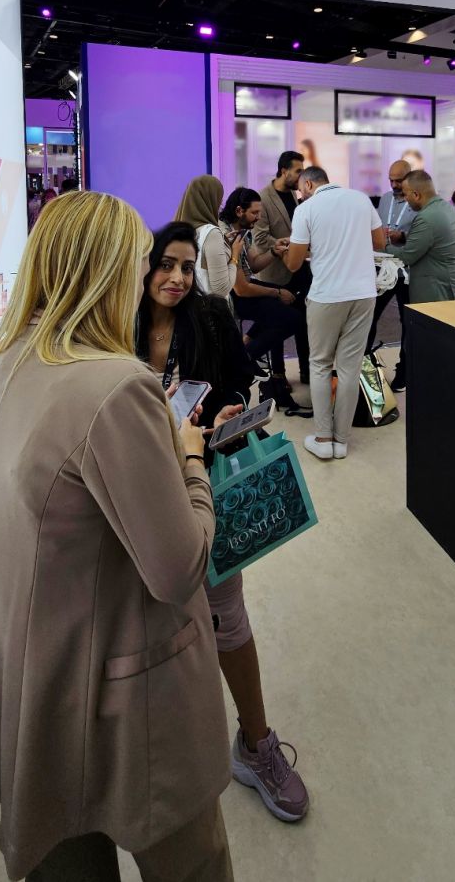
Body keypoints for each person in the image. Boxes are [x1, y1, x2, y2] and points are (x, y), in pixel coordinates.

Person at [0, 191, 234, 882]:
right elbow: (179, 567)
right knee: (192, 863)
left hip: (29, 685)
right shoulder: (115, 386)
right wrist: (190, 459)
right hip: (126, 695)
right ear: (113, 272)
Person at [136, 223, 310, 822]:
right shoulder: (116, 325)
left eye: (187, 267)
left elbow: (239, 376)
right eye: (166, 264)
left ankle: (256, 743)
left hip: (203, 479)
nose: (178, 278)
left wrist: (229, 406)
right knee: (146, 623)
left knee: (225, 613)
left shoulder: (209, 316)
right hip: (135, 492)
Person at [284, 166, 385, 460]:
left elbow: (293, 263)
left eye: (301, 189)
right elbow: (379, 243)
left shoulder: (306, 209)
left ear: (308, 184)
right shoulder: (361, 199)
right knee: (350, 367)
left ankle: (323, 438)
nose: (300, 194)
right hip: (364, 293)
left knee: (319, 364)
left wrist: (294, 250)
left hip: (327, 295)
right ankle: (341, 441)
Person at [220, 187, 310, 416]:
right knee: (292, 318)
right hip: (232, 296)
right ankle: (245, 357)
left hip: (242, 287)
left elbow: (254, 265)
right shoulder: (226, 235)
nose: (258, 217)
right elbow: (241, 289)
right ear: (239, 211)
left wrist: (274, 251)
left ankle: (248, 343)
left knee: (294, 305)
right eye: (254, 213)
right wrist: (277, 293)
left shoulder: (242, 232)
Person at [253, 151, 311, 385]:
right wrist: (289, 246)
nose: (301, 176)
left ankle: (306, 370)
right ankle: (278, 375)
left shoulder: (297, 196)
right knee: (276, 325)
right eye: (298, 171)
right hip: (274, 272)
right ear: (283, 171)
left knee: (303, 321)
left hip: (299, 270)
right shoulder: (263, 197)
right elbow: (260, 238)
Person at [366, 159, 417, 390]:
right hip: (382, 267)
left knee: (408, 322)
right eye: (391, 180)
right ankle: (366, 368)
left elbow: (422, 234)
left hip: (407, 270)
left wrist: (402, 236)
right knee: (369, 316)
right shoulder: (385, 199)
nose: (394, 185)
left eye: (399, 180)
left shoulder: (417, 201)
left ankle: (404, 371)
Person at [393, 171, 455, 306]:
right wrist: (402, 236)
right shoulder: (447, 208)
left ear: (416, 195)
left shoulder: (426, 217)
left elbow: (406, 256)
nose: (405, 199)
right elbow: (436, 237)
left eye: (405, 194)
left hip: (441, 295)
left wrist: (380, 245)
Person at [176, 175, 234, 297]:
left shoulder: (177, 229)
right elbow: (221, 288)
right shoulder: (211, 233)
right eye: (219, 199)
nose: (220, 205)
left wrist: (223, 242)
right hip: (207, 305)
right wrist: (235, 256)